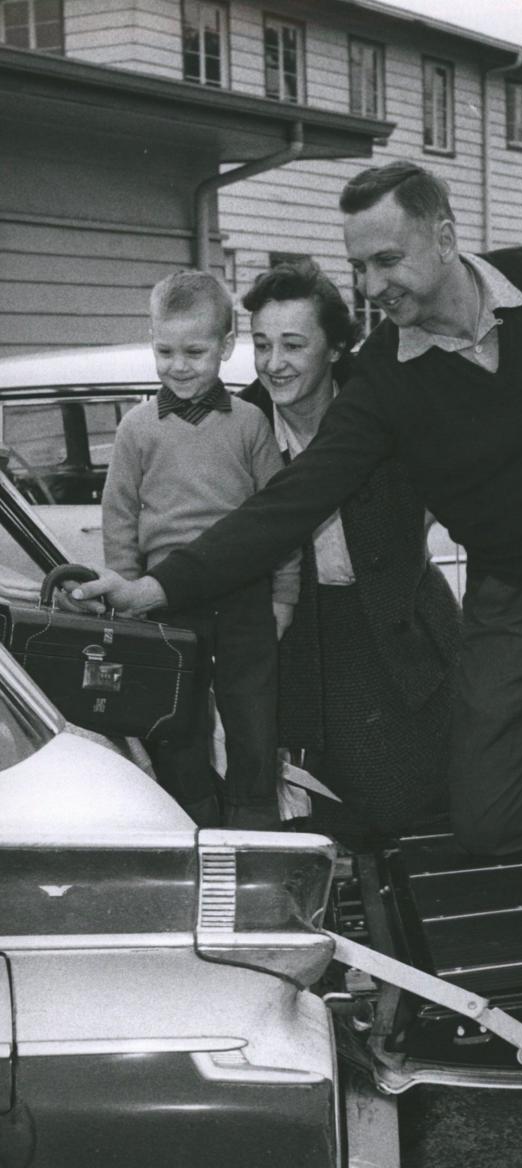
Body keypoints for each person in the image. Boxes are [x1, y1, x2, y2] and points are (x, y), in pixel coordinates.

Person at [74, 160, 522, 856]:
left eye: (386, 260)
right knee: (488, 815)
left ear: (444, 235)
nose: (373, 286)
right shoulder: (382, 376)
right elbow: (292, 500)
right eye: (359, 268)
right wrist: (156, 586)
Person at [239, 258, 459, 838]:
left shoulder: (386, 401)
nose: (273, 363)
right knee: (327, 827)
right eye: (261, 345)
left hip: (406, 635)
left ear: (336, 348)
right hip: (299, 649)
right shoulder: (239, 422)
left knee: (425, 818)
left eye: (292, 344)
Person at [101, 269, 299, 829]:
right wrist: (126, 594)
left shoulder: (250, 424)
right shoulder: (137, 428)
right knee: (176, 722)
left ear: (226, 347)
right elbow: (118, 516)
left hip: (245, 600)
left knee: (253, 720)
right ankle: (194, 825)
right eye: (165, 350)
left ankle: (254, 826)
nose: (178, 365)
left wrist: (284, 596)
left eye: (194, 350)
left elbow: (279, 518)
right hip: (166, 602)